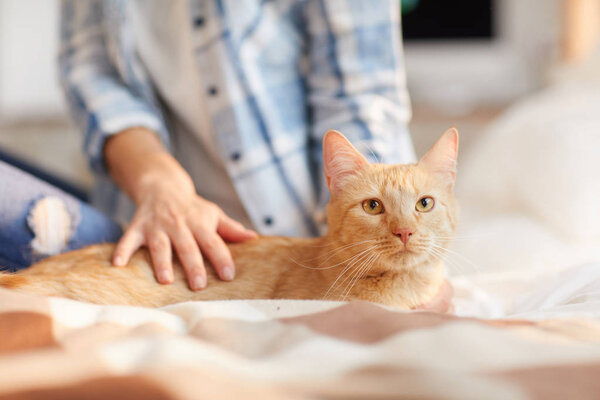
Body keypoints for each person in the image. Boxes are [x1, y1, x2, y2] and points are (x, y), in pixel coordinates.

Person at [0, 0, 452, 311]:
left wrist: (394, 232)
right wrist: (158, 182)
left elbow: (361, 96)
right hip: (140, 222)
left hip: (287, 238)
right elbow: (91, 73)